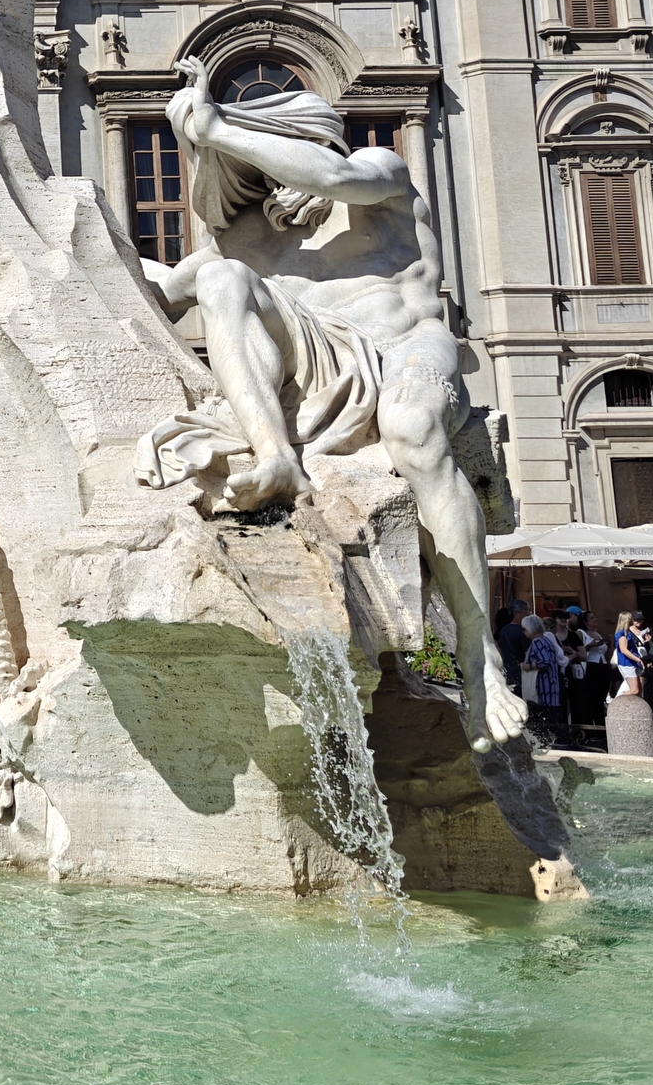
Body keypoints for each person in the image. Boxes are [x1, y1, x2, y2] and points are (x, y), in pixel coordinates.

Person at [134, 57, 525, 747]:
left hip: (408, 349)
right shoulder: (244, 241)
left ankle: (476, 652)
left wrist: (217, 126)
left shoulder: (375, 174)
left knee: (410, 427)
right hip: (321, 372)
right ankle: (275, 455)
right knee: (222, 281)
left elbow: (333, 177)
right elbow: (148, 295)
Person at [523, 618, 568, 742]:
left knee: (546, 717)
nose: (524, 632)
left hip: (544, 688)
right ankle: (557, 741)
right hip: (551, 686)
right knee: (552, 717)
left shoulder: (538, 641)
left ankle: (552, 742)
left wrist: (528, 666)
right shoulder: (546, 640)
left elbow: (545, 662)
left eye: (525, 629)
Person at [612, 610, 645, 697]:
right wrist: (638, 659)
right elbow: (624, 650)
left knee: (639, 690)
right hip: (627, 663)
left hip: (633, 662)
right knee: (634, 690)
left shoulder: (628, 633)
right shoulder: (621, 634)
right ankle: (616, 701)